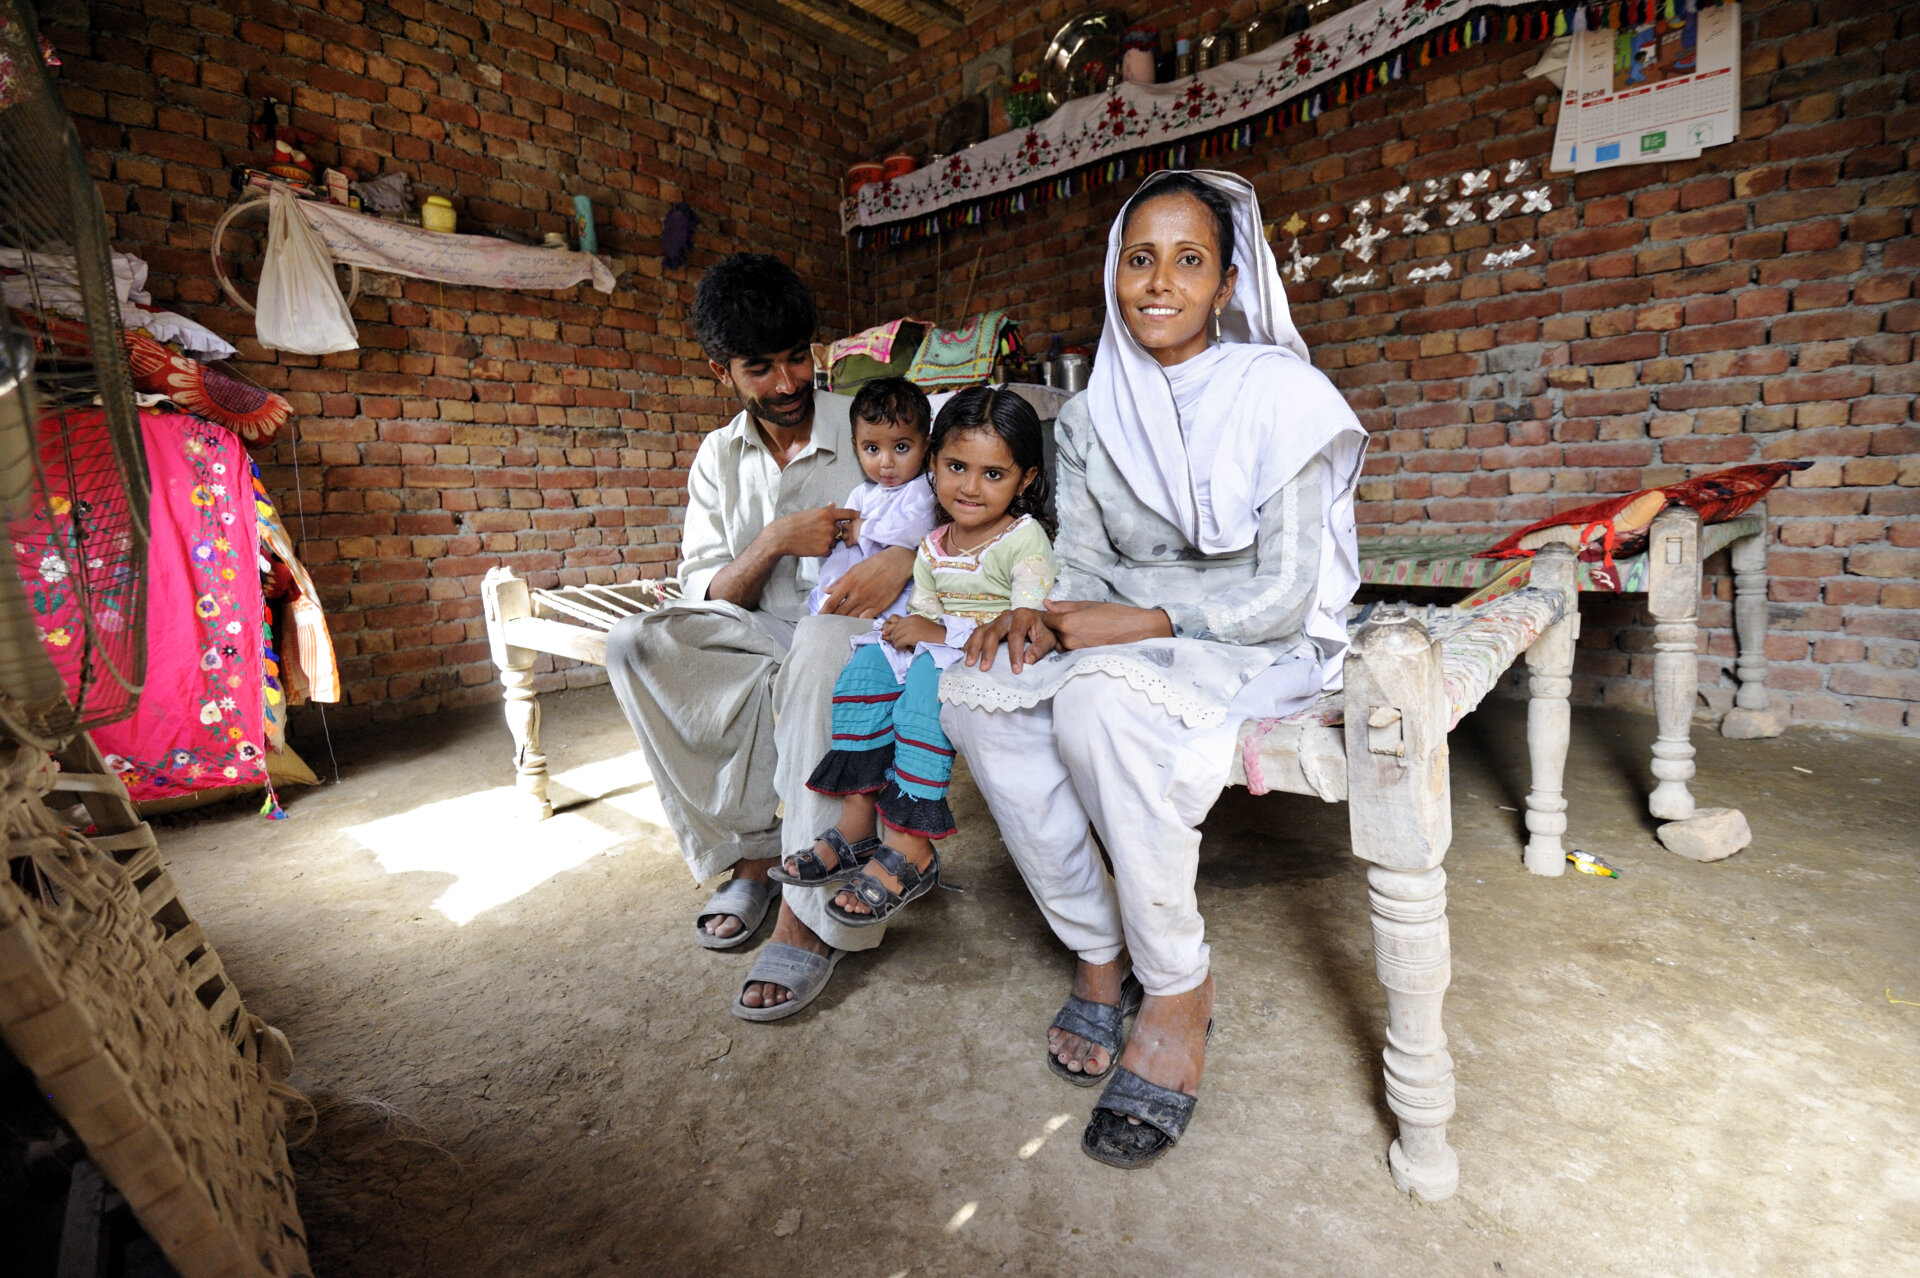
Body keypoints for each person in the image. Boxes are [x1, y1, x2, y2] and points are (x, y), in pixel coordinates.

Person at [940, 171, 1368, 1168]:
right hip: (1136, 636)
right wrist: (1042, 616)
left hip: (1256, 642)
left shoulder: (1286, 397)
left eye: (1189, 261)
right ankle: (1101, 950)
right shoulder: (1088, 420)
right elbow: (1081, 562)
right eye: (1140, 259)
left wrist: (1143, 619)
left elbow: (1285, 595)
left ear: (1226, 282)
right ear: (1113, 275)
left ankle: (1176, 984)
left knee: (1095, 704)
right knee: (987, 699)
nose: (1160, 283)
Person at [602, 254, 918, 1019]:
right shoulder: (719, 456)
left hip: (864, 634)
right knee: (637, 645)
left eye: (796, 358)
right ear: (722, 371)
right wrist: (774, 540)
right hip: (757, 629)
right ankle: (749, 855)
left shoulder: (877, 420)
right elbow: (706, 592)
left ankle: (806, 918)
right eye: (759, 368)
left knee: (815, 649)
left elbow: (973, 508)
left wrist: (906, 556)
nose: (785, 383)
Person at [765, 389, 1054, 969]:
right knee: (862, 674)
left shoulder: (1022, 539)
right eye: (955, 467)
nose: (969, 487)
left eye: (992, 473)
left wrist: (935, 630)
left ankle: (908, 847)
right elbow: (926, 603)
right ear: (933, 466)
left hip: (985, 648)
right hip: (938, 640)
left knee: (920, 704)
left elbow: (1025, 612)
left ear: (1024, 480)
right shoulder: (932, 543)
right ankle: (855, 825)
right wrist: (913, 626)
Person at [803, 377, 939, 624]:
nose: (886, 462)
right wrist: (837, 532)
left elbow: (912, 530)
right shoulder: (862, 494)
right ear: (856, 448)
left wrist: (864, 528)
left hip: (901, 591)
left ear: (925, 447)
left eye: (901, 447)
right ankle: (827, 601)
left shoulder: (926, 488)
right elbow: (847, 542)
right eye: (872, 449)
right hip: (853, 588)